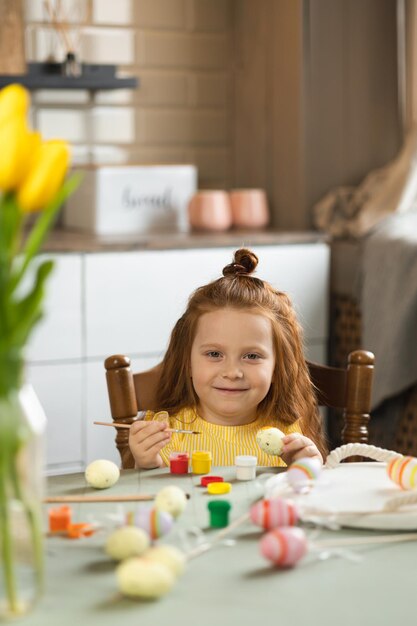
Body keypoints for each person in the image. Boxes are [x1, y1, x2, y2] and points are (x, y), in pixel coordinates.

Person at [129, 248, 327, 470]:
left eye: (252, 356)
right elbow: (150, 498)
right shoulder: (162, 432)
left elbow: (303, 499)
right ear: (188, 363)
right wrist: (146, 464)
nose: (232, 372)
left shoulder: (288, 437)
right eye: (214, 354)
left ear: (277, 369)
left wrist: (307, 469)